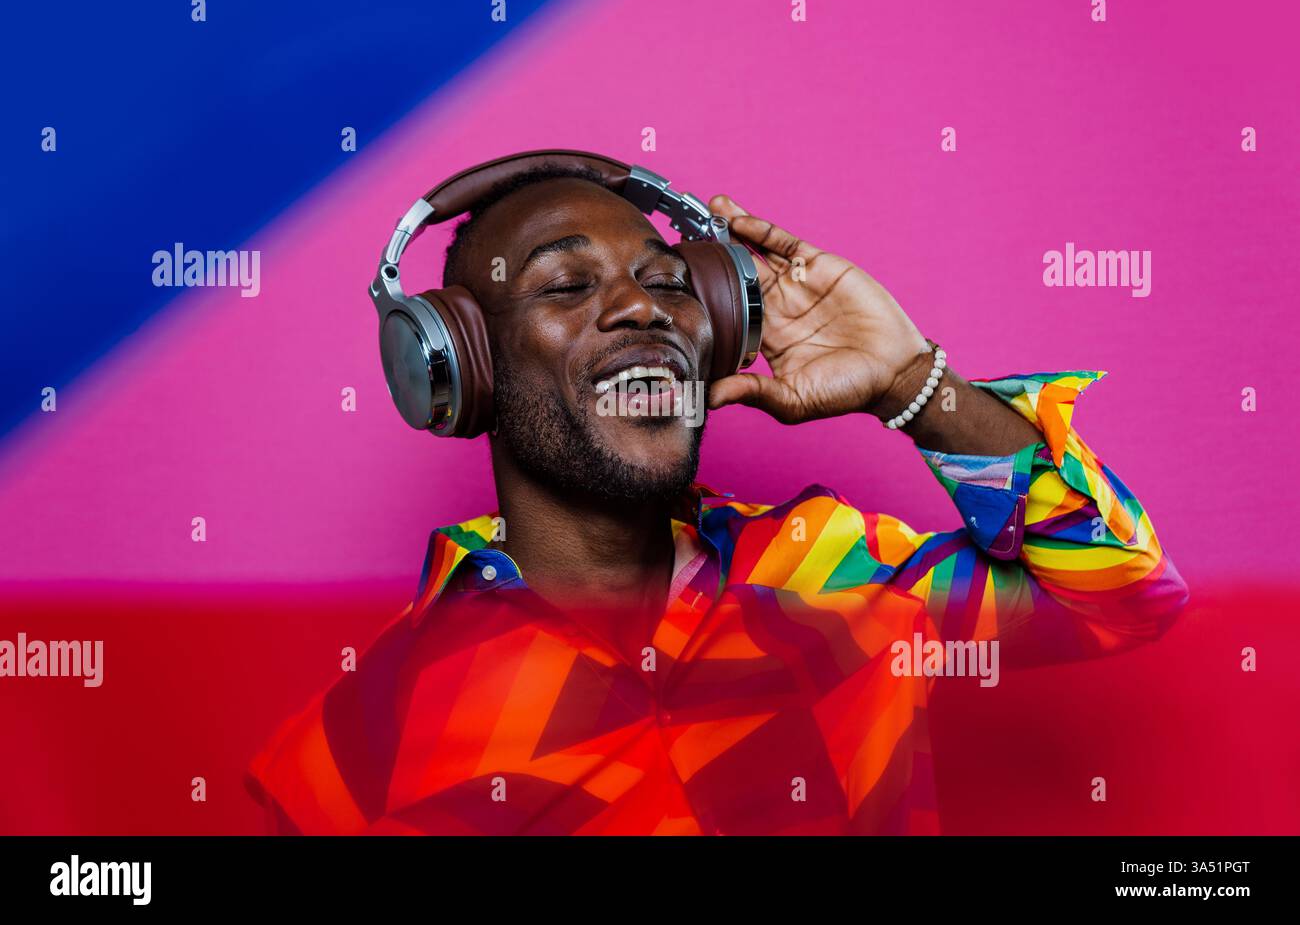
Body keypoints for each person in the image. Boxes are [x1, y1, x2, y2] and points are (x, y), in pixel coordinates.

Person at [246, 163, 1187, 834]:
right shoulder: (357, 741)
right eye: (567, 284)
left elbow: (1124, 595)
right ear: (465, 372)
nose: (645, 308)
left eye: (666, 283)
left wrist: (912, 382)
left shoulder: (830, 565)